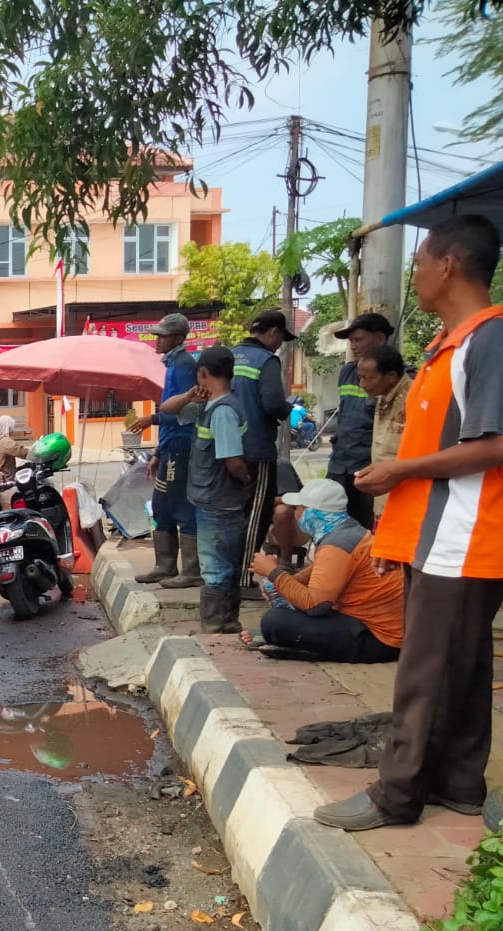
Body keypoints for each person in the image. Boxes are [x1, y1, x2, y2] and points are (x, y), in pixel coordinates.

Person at [312, 214, 503, 830]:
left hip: (463, 536)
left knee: (422, 672)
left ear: (448, 265)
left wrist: (401, 471)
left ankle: (395, 796)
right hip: (441, 535)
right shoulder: (449, 347)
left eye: (419, 263)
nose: (415, 274)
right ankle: (459, 783)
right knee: (463, 666)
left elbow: (495, 444)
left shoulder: (487, 341)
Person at [244, 478, 402, 662]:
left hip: (377, 638)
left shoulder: (337, 545)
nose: (297, 514)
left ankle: (290, 642)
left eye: (299, 509)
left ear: (313, 513)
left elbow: (315, 605)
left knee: (274, 622)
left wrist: (274, 573)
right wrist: (283, 583)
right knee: (290, 600)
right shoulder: (350, 531)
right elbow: (318, 574)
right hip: (378, 629)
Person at [126, 312, 203, 587]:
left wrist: (153, 419)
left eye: (162, 335)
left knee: (180, 505)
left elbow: (188, 410)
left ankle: (191, 571)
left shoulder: (183, 366)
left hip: (182, 444)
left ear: (179, 339)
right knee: (161, 506)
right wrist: (159, 451)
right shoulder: (173, 364)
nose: (156, 339)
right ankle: (165, 565)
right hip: (171, 445)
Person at [185, 346, 252, 633]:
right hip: (216, 499)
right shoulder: (215, 406)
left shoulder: (223, 411)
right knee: (224, 564)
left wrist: (247, 480)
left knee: (215, 568)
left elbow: (232, 461)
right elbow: (170, 411)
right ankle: (225, 622)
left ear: (203, 374)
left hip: (218, 502)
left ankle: (215, 626)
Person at [232, 309, 295, 587]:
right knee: (255, 516)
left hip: (227, 449)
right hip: (256, 449)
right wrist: (287, 407)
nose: (280, 344)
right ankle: (244, 580)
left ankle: (224, 577)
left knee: (231, 515)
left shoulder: (229, 355)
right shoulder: (267, 361)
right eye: (281, 338)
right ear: (273, 333)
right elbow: (272, 404)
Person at [326, 312, 394, 527]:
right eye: (351, 341)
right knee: (334, 529)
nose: (353, 346)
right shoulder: (347, 372)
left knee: (369, 533)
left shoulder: (398, 378)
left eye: (358, 340)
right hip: (340, 467)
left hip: (370, 470)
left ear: (380, 339)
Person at [359, 344, 412, 518]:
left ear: (391, 377)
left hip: (407, 498)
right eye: (361, 378)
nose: (362, 385)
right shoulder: (382, 396)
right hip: (383, 498)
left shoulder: (414, 397)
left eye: (369, 378)